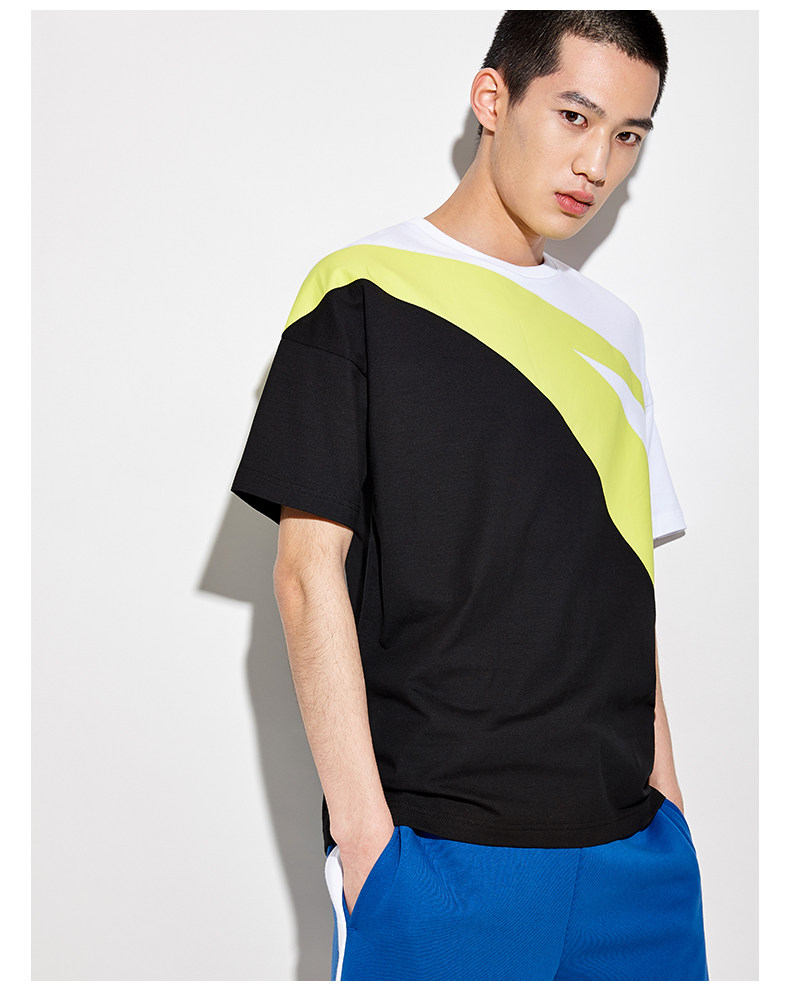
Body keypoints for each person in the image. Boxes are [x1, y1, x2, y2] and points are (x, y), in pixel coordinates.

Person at [231, 10, 709, 981]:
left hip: (637, 862)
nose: (598, 164)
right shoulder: (358, 291)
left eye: (628, 135)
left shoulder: (614, 330)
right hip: (439, 859)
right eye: (574, 116)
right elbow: (305, 573)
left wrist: (669, 803)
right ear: (493, 97)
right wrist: (366, 841)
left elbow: (625, 583)